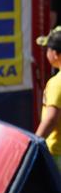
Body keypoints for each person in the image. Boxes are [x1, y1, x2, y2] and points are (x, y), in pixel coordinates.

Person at [35, 26, 61, 173]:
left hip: (57, 153)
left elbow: (51, 118)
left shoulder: (57, 83)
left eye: (48, 49)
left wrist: (35, 143)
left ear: (56, 54)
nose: (47, 53)